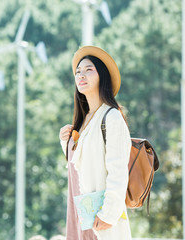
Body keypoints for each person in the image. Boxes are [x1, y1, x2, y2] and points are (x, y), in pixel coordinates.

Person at [59, 46, 132, 240]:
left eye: (88, 70)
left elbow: (118, 171)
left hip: (101, 218)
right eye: (78, 72)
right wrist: (66, 143)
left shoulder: (112, 117)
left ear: (102, 76)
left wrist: (108, 214)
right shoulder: (83, 122)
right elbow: (79, 168)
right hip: (79, 215)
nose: (81, 75)